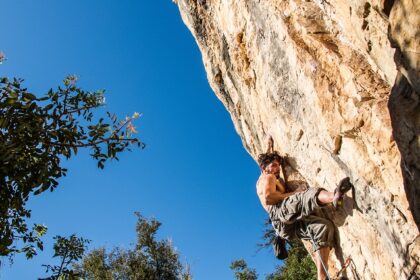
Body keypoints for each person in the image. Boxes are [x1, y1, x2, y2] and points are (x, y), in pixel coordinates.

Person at [256, 137, 353, 280]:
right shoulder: (268, 177)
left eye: (278, 165)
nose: (277, 169)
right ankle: (334, 197)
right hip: (278, 212)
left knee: (323, 228)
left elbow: (265, 162)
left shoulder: (268, 176)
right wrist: (295, 193)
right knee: (304, 197)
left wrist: (269, 146)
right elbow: (269, 198)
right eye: (274, 165)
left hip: (285, 228)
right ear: (264, 168)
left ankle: (322, 277)